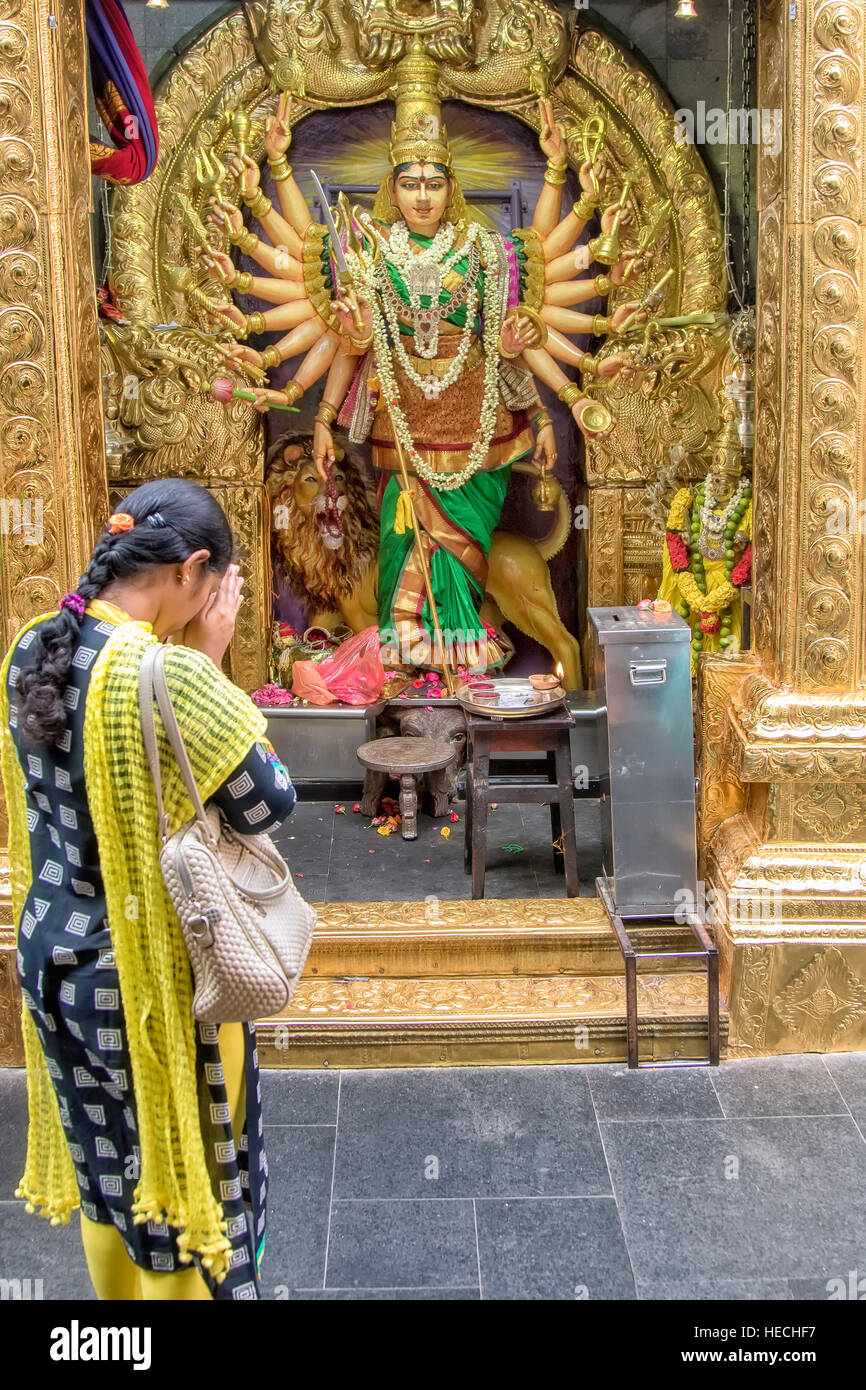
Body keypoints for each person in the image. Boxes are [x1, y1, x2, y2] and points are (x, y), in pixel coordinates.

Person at [198, 53, 643, 673]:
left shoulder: (488, 252)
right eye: (410, 183)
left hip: (481, 437)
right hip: (401, 436)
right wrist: (324, 420)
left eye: (434, 182)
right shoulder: (367, 256)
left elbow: (508, 346)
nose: (423, 196)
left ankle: (466, 674)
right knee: (402, 549)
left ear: (451, 186)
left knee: (466, 557)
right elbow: (351, 346)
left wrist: (543, 418)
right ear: (393, 187)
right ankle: (415, 681)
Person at [0, 478, 297, 1300]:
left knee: (107, 1174)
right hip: (149, 978)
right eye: (216, 584)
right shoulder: (169, 673)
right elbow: (269, 796)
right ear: (194, 570)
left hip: (53, 959)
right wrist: (208, 662)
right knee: (181, 1179)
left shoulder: (33, 644)